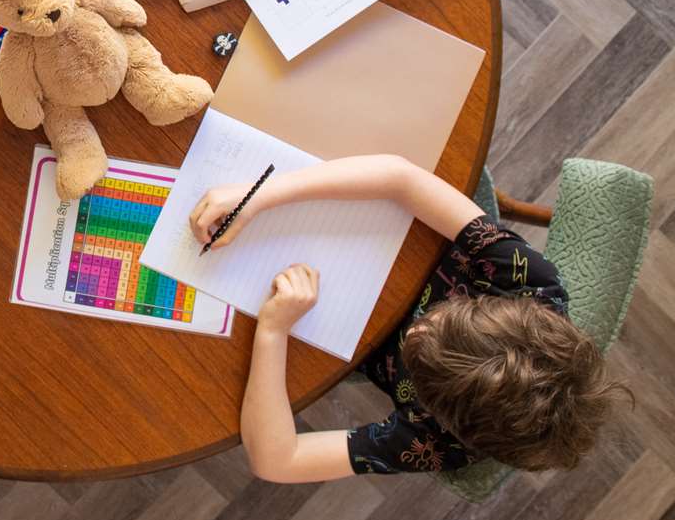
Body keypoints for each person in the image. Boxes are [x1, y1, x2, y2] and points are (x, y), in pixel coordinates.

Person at [189, 155, 626, 482]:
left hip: (328, 331)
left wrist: (272, 331)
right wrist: (257, 197)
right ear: (500, 307)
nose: (419, 326)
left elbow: (276, 460)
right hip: (382, 237)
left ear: (441, 412)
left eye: (423, 353)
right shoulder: (532, 284)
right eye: (447, 315)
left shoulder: (445, 441)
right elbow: (401, 177)